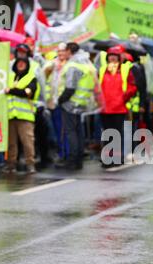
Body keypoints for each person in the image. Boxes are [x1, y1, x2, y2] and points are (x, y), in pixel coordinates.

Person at [56, 42, 97, 170]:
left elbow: (70, 87)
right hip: (81, 102)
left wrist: (60, 100)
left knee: (71, 133)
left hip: (70, 103)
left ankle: (73, 160)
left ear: (69, 51)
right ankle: (78, 159)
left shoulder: (73, 65)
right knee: (78, 132)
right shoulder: (85, 63)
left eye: (65, 50)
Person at [99, 45, 137, 167]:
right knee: (106, 133)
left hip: (118, 107)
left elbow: (132, 87)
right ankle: (107, 157)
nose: (112, 59)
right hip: (105, 108)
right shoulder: (102, 69)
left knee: (116, 133)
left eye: (115, 57)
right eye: (110, 57)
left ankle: (116, 158)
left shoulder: (126, 69)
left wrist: (123, 97)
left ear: (119, 58)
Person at [4, 57, 39, 174]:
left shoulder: (31, 78)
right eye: (18, 63)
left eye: (23, 63)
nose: (20, 65)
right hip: (10, 115)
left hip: (25, 116)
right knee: (11, 143)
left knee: (27, 142)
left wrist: (10, 91)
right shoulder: (9, 77)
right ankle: (11, 164)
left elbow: (27, 93)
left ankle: (30, 164)